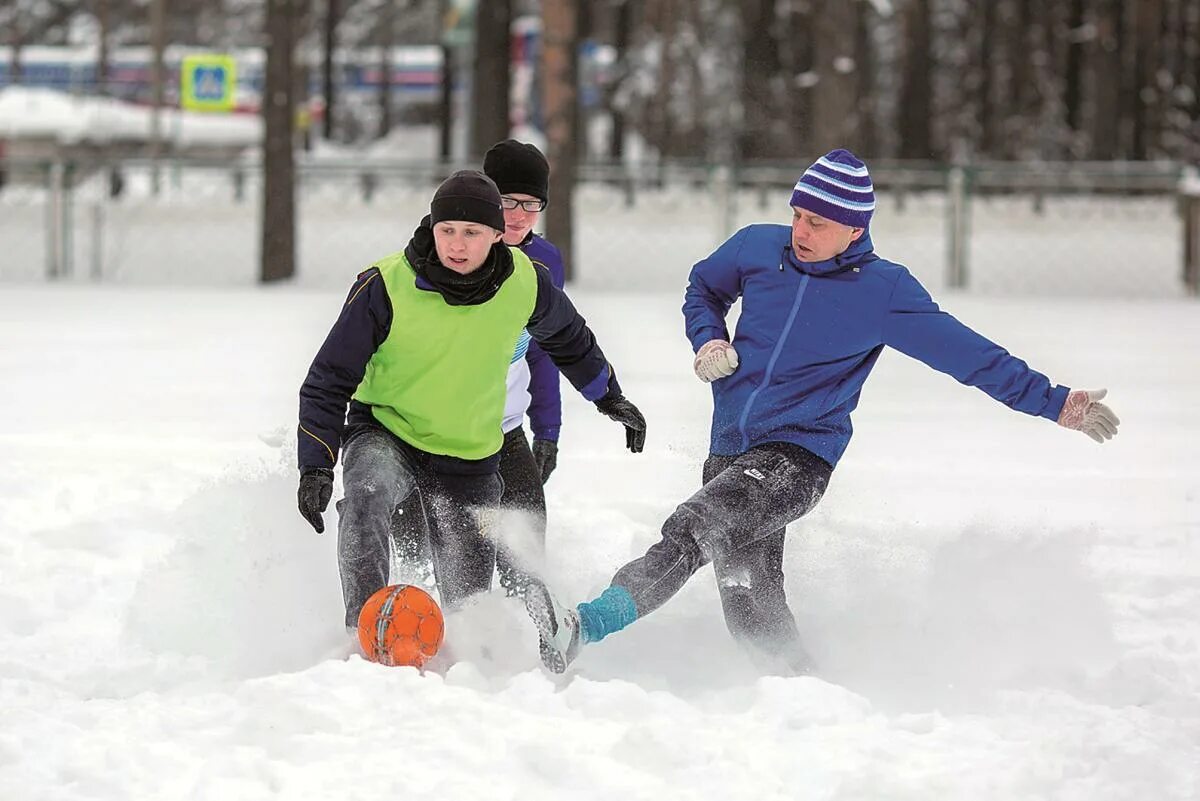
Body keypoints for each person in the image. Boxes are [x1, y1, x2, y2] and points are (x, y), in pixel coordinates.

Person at [524, 148, 1121, 675]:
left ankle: (584, 626)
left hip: (798, 457)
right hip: (730, 448)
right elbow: (702, 287)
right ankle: (801, 690)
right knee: (750, 605)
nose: (802, 230)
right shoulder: (760, 247)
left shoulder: (884, 291)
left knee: (695, 527)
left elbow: (971, 357)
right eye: (799, 215)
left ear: (855, 230)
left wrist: (1054, 402)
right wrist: (708, 338)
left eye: (820, 222)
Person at [296, 169, 646, 629]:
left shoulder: (526, 282)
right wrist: (316, 464)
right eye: (447, 231)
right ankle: (363, 630)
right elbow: (328, 378)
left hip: (469, 452)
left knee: (469, 606)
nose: (456, 245)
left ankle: (472, 665)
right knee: (367, 495)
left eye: (471, 233)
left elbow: (569, 339)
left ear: (498, 235)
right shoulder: (385, 284)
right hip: (387, 428)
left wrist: (607, 396)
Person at [392, 140, 568, 598]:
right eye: (507, 201)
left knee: (525, 548)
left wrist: (547, 427)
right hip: (426, 431)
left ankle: (525, 649)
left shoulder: (543, 262)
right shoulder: (441, 256)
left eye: (532, 204)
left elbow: (544, 347)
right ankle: (408, 646)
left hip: (503, 428)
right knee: (425, 558)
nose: (519, 215)